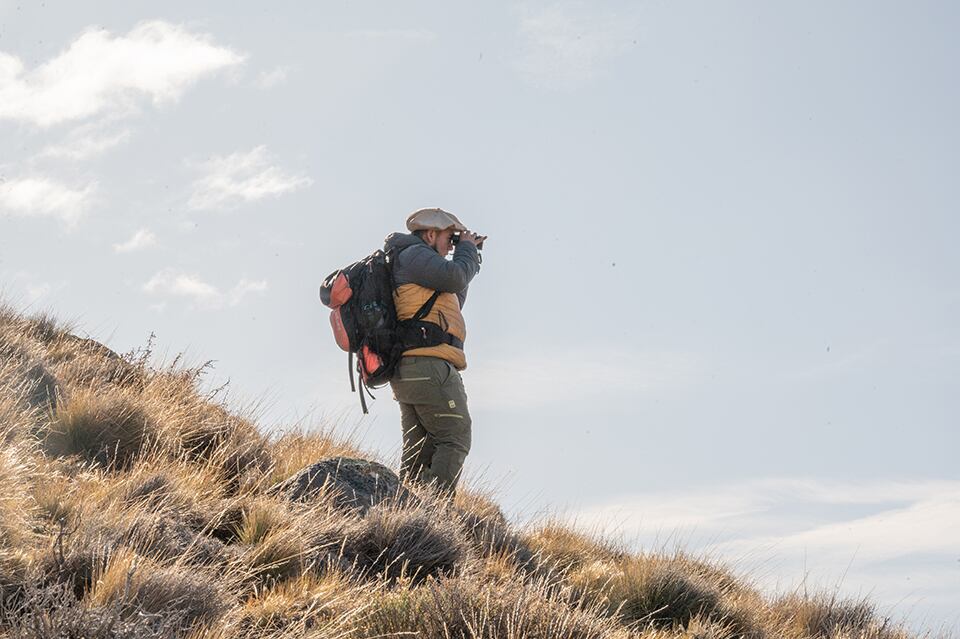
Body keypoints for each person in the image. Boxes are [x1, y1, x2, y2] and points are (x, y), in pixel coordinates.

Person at [383, 208, 484, 494]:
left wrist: (469, 255)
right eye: (449, 238)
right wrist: (465, 250)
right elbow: (455, 278)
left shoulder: (416, 263)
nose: (452, 245)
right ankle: (434, 511)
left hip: (414, 367)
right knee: (455, 437)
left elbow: (453, 295)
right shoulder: (415, 254)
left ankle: (406, 510)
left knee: (420, 448)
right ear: (430, 234)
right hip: (429, 365)